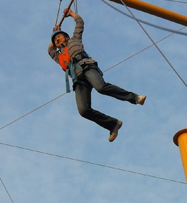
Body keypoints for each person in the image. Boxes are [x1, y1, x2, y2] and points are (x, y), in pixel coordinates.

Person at [48, 9, 146, 142]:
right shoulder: (59, 56)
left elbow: (80, 22)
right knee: (83, 110)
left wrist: (71, 14)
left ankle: (135, 98)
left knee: (101, 87)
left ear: (66, 37)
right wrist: (55, 32)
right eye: (55, 40)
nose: (57, 40)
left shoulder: (74, 40)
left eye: (59, 37)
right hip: (78, 81)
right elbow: (50, 50)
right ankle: (113, 124)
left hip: (86, 67)